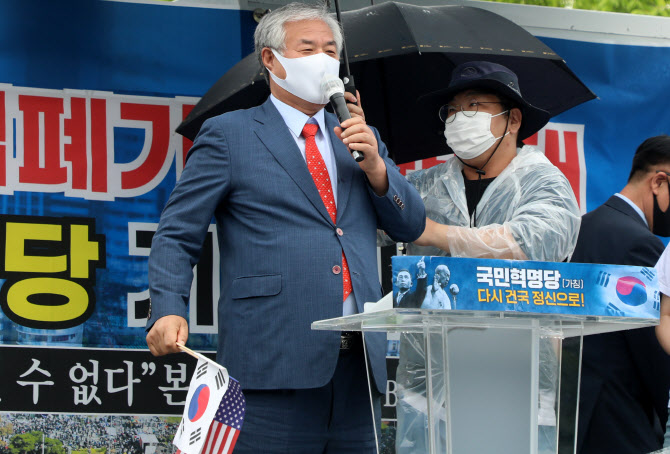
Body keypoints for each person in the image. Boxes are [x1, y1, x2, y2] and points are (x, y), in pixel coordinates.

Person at [144, 3, 426, 452]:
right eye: (308, 47)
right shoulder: (229, 134)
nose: (322, 58)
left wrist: (377, 168)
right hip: (270, 362)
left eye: (331, 50)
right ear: (271, 60)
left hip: (359, 368)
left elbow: (410, 223)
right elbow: (178, 233)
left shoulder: (355, 135)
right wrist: (167, 308)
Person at [365, 61, 581, 453]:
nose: (458, 119)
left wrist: (432, 232)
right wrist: (377, 172)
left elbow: (538, 240)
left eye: (473, 106)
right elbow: (370, 220)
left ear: (512, 119)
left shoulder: (542, 180)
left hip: (514, 380)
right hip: (427, 387)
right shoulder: (425, 184)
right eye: (451, 111)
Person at [569, 135, 670, 454]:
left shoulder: (582, 226)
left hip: (576, 415)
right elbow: (652, 348)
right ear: (659, 181)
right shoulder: (641, 244)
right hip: (621, 421)